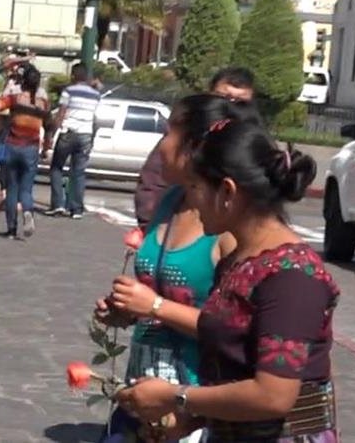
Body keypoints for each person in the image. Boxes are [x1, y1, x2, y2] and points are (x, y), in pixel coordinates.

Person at [115, 119, 340, 443]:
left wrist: (177, 396)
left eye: (194, 188)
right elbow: (235, 364)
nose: (190, 203)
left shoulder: (291, 277)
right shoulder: (238, 261)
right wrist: (190, 418)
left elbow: (274, 395)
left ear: (227, 191)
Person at [94, 95, 260, 443]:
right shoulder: (170, 201)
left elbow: (234, 331)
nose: (161, 143)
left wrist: (153, 306)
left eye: (169, 131)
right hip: (144, 394)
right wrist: (126, 312)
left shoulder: (226, 223)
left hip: (193, 406)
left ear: (195, 146)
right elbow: (158, 295)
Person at [134, 67, 255, 232]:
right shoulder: (186, 133)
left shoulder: (252, 142)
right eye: (224, 98)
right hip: (173, 230)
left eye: (240, 102)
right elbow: (152, 181)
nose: (229, 107)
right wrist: (151, 229)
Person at [0, 65, 50, 239]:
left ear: (23, 82)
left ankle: (11, 229)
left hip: (12, 145)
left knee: (12, 188)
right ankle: (28, 211)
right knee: (26, 189)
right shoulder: (43, 104)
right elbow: (49, 124)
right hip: (31, 149)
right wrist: (46, 146)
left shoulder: (15, 99)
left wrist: (0, 120)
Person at [45, 63, 101, 219]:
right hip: (85, 134)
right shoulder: (95, 95)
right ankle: (76, 208)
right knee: (78, 172)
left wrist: (51, 135)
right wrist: (92, 138)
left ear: (74, 76)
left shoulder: (69, 91)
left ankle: (58, 204)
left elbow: (61, 114)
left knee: (57, 167)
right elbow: (95, 119)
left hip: (68, 132)